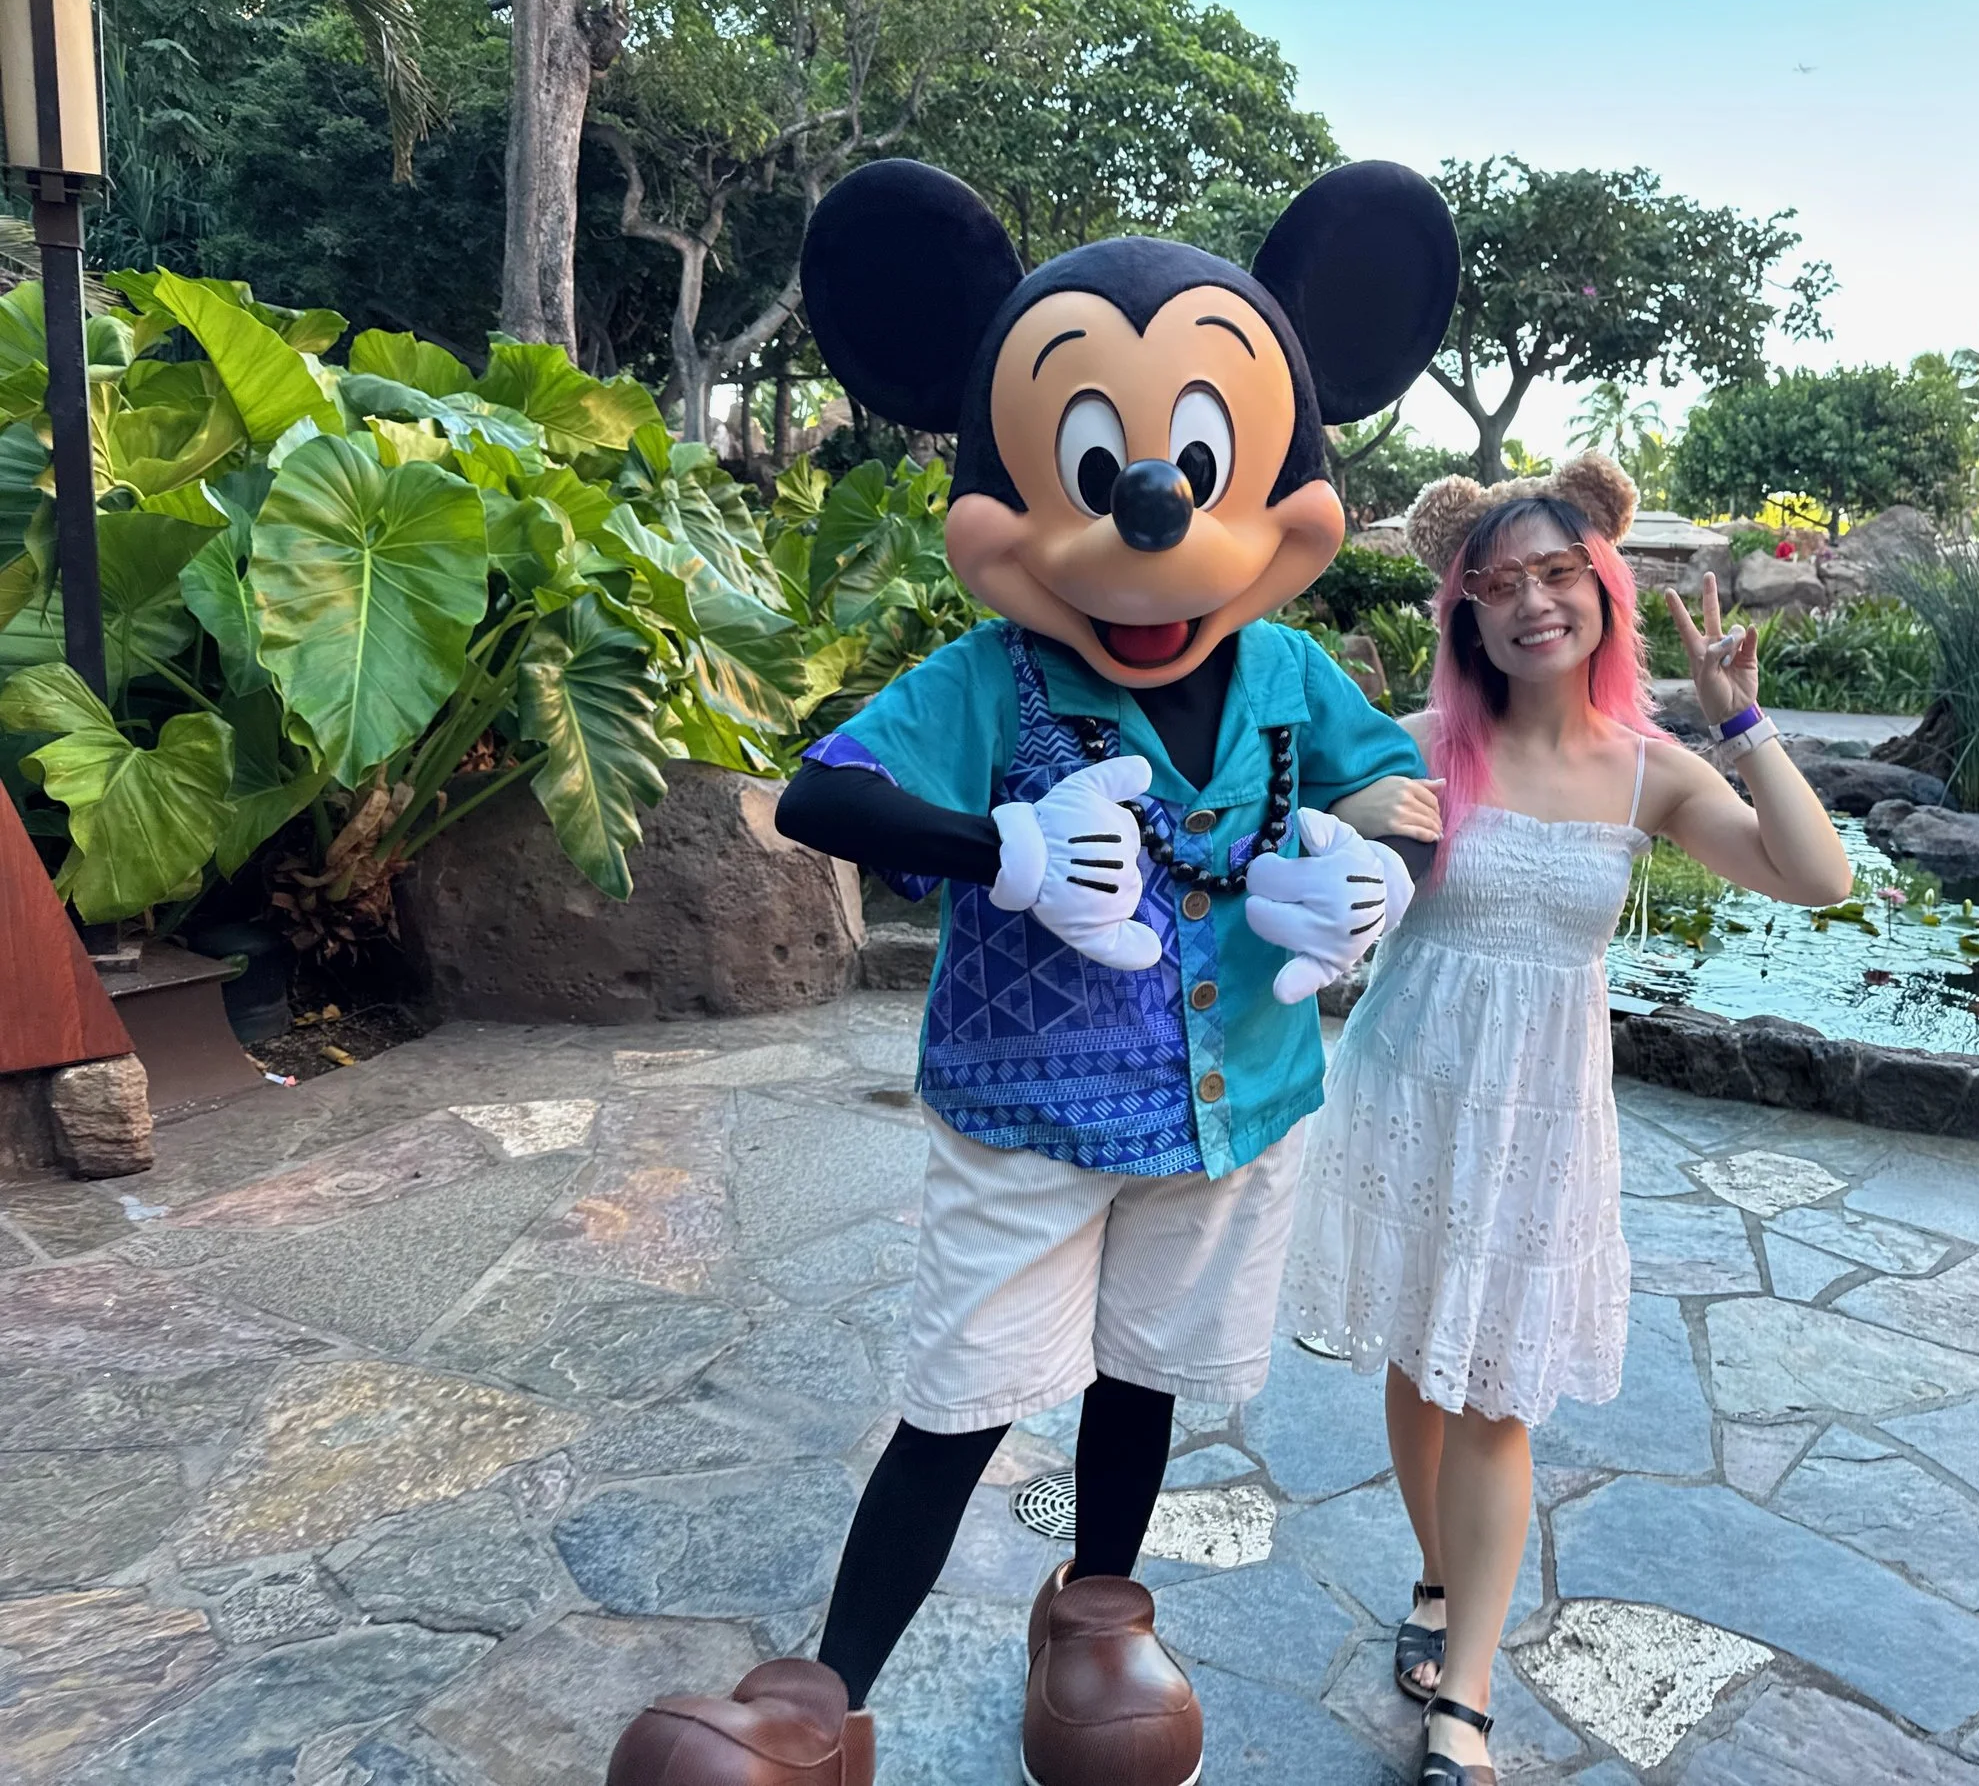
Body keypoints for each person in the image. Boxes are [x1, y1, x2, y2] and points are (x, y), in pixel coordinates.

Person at [606, 156, 1460, 1786]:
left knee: (1143, 1371)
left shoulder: (1286, 664)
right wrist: (999, 847)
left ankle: (1096, 1619)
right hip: (1028, 1108)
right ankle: (819, 1693)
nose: (1151, 509)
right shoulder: (993, 675)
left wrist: (1375, 878)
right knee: (969, 1389)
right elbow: (821, 792)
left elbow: (1394, 792)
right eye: (1095, 460)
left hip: (1233, 1115)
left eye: (1200, 462)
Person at [1285, 454, 1852, 1785]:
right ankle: (1439, 1578)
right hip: (1410, 1089)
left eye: (1558, 574)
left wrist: (1743, 723)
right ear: (1466, 616)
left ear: (1603, 588)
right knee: (1424, 1362)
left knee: (1498, 1387)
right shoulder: (1421, 748)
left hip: (1541, 1114)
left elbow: (1815, 875)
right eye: (1499, 584)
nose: (1534, 602)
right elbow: (1313, 847)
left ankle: (1462, 1702)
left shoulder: (1647, 770)